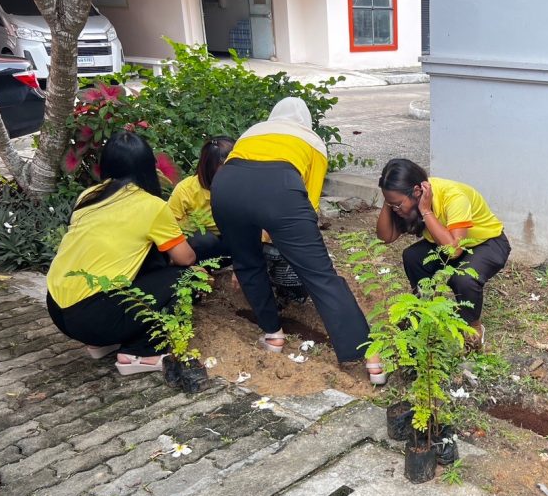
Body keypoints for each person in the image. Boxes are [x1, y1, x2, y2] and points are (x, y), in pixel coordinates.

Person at [210, 97, 384, 383]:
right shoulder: (312, 141)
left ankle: (273, 335)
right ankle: (371, 359)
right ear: (306, 121)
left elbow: (246, 181)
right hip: (281, 190)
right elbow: (309, 203)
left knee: (247, 263)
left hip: (225, 188)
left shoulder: (253, 132)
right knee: (320, 275)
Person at [46, 131, 196, 375]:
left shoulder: (89, 195)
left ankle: (100, 343)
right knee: (187, 277)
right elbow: (186, 258)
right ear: (148, 167)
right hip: (93, 318)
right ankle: (141, 352)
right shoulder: (151, 206)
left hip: (57, 308)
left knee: (146, 260)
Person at [375, 158, 511, 348]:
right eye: (392, 205)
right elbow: (386, 236)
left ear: (417, 192)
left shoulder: (453, 196)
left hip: (487, 243)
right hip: (449, 241)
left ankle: (472, 328)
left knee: (463, 278)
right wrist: (389, 202)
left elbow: (453, 251)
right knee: (412, 257)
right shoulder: (406, 201)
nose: (396, 210)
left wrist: (425, 210)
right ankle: (425, 309)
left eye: (397, 205)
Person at [167, 136, 234, 262]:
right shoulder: (186, 190)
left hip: (230, 238)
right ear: (209, 168)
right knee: (205, 240)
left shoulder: (239, 184)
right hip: (201, 244)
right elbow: (169, 226)